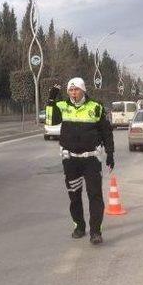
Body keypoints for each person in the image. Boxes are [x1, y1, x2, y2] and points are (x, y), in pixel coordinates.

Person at [47, 78, 114, 245]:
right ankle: (79, 226)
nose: (73, 93)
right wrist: (51, 100)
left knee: (95, 196)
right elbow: (50, 121)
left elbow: (106, 132)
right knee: (74, 196)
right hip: (71, 161)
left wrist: (110, 152)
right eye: (71, 90)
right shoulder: (62, 106)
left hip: (91, 159)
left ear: (83, 90)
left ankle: (95, 232)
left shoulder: (95, 107)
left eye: (76, 90)